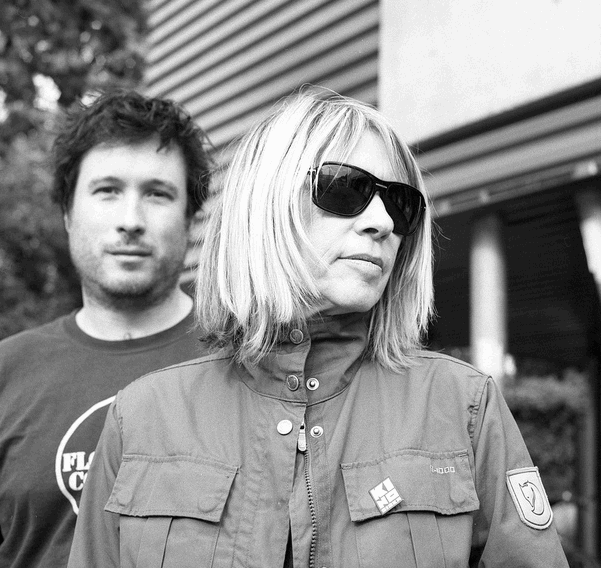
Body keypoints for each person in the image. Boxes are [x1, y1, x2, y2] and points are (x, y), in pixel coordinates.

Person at [69, 89, 568, 567]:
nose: (382, 222)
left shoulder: (464, 406)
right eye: (345, 188)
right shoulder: (141, 417)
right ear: (265, 202)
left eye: (400, 203)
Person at [0, 90, 212, 568]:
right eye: (107, 190)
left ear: (190, 219)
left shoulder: (248, 361)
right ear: (68, 213)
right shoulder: (6, 373)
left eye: (157, 193)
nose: (130, 221)